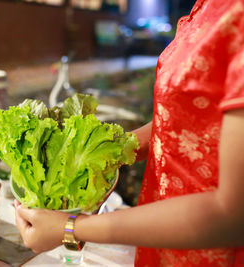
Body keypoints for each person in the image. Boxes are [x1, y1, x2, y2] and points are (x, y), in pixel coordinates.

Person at [14, 0, 244, 265]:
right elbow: (188, 125)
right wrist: (97, 154)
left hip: (212, 253)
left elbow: (232, 214)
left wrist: (71, 228)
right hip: (162, 234)